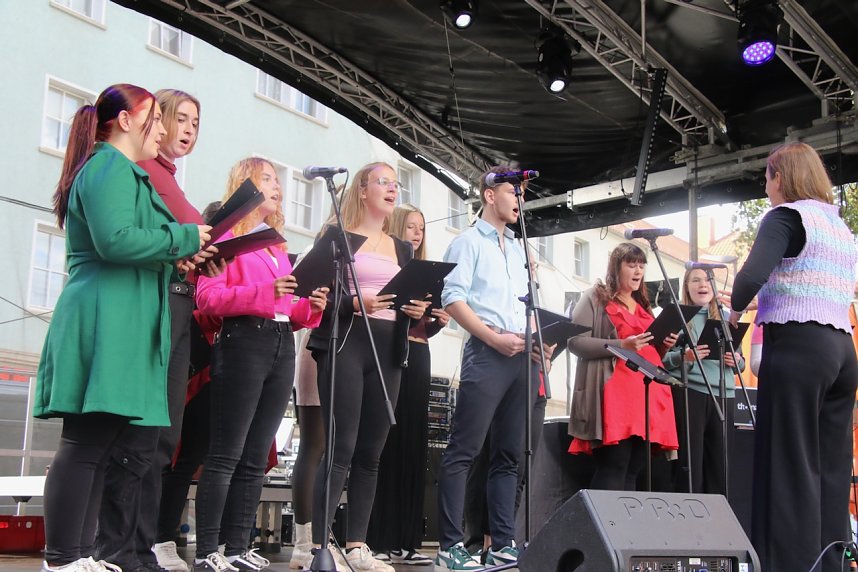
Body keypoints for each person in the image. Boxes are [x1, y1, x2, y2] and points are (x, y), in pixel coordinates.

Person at [34, 83, 209, 572]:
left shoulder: (126, 173)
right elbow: (114, 240)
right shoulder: (108, 165)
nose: (163, 129)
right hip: (104, 314)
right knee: (85, 444)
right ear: (127, 122)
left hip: (124, 315)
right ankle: (63, 556)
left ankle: (80, 553)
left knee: (103, 444)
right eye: (155, 119)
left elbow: (137, 242)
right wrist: (184, 236)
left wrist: (180, 255)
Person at [95, 88, 221, 572]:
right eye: (179, 118)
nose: (187, 129)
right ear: (154, 122)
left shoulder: (169, 178)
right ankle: (120, 547)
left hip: (178, 304)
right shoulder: (137, 172)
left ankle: (138, 546)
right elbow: (134, 238)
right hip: (157, 304)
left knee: (161, 437)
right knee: (142, 435)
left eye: (196, 121)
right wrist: (191, 242)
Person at [193, 157, 328, 572]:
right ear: (244, 183)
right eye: (267, 178)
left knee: (255, 457)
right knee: (225, 453)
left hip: (279, 342)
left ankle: (237, 546)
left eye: (278, 180)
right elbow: (208, 299)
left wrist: (311, 307)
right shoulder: (226, 237)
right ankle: (206, 550)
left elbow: (285, 307)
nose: (278, 186)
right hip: (242, 340)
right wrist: (264, 291)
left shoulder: (276, 244)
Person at [727, 142, 858, 572]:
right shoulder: (841, 229)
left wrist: (736, 306)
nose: (766, 190)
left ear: (780, 177)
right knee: (832, 469)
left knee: (788, 463)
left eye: (767, 179)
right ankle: (830, 565)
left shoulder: (786, 216)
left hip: (799, 348)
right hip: (842, 351)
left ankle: (789, 564)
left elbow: (750, 277)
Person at [307, 162, 428, 572]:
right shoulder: (337, 236)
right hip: (346, 343)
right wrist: (353, 304)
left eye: (396, 184)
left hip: (387, 348)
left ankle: (357, 545)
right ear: (362, 189)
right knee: (340, 447)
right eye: (383, 182)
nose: (392, 189)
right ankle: (321, 548)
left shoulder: (402, 247)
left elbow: (410, 304)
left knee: (371, 453)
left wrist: (416, 309)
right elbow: (315, 293)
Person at [434, 166, 543, 572]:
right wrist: (492, 338)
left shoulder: (519, 249)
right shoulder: (466, 243)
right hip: (487, 350)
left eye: (522, 192)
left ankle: (501, 542)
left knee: (509, 455)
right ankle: (448, 547)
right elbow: (453, 298)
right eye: (512, 191)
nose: (519, 198)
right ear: (488, 195)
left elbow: (526, 304)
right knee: (464, 450)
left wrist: (537, 340)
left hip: (520, 356)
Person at [366, 204, 449, 565]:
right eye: (411, 226)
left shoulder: (430, 274)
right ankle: (378, 537)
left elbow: (426, 324)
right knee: (387, 442)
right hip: (388, 350)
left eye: (422, 228)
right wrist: (406, 311)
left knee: (415, 442)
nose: (417, 233)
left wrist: (436, 320)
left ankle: (408, 540)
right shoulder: (389, 265)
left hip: (419, 354)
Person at [566, 242, 678, 491]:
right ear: (616, 267)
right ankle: (601, 528)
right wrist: (621, 344)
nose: (638, 271)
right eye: (631, 264)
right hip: (615, 396)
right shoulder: (597, 297)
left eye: (641, 265)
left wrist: (665, 346)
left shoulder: (644, 307)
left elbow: (649, 351)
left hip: (646, 396)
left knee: (633, 470)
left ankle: (624, 529)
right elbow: (575, 341)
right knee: (614, 465)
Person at [663, 267, 744, 494]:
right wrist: (684, 357)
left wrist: (736, 360)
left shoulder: (727, 319)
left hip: (724, 394)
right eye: (696, 280)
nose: (703, 284)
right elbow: (659, 358)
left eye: (708, 280)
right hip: (690, 393)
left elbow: (742, 362)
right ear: (686, 287)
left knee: (721, 468)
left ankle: (718, 523)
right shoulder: (677, 316)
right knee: (691, 466)